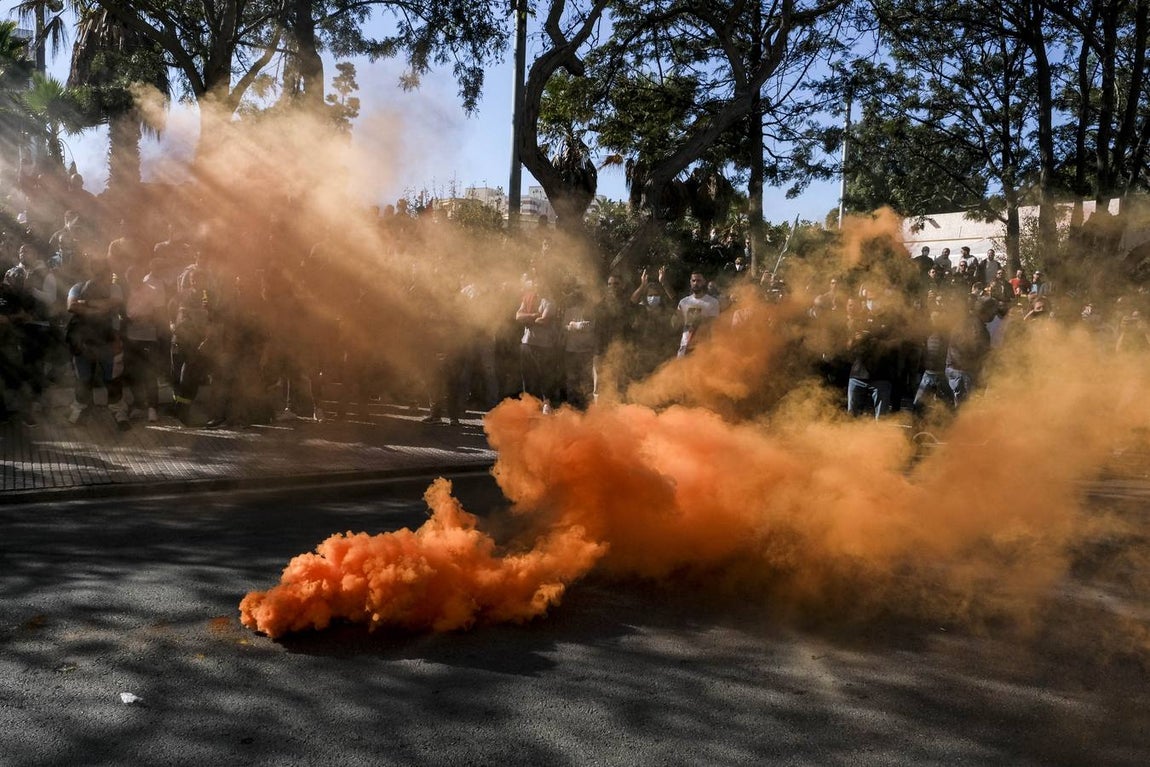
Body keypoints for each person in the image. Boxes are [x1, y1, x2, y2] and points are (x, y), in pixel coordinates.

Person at [64, 255, 130, 429]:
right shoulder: (77, 287)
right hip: (83, 341)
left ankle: (119, 413)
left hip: (109, 340)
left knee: (113, 378)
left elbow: (113, 304)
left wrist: (86, 304)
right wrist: (97, 309)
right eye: (95, 267)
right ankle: (80, 411)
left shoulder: (114, 287)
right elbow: (71, 306)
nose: (98, 272)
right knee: (83, 378)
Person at [674, 270, 721, 357]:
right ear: (690, 282)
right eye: (693, 280)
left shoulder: (712, 302)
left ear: (704, 282)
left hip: (703, 347)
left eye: (699, 281)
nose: (696, 283)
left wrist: (700, 320)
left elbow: (713, 324)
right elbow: (677, 323)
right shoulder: (683, 302)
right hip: (684, 346)